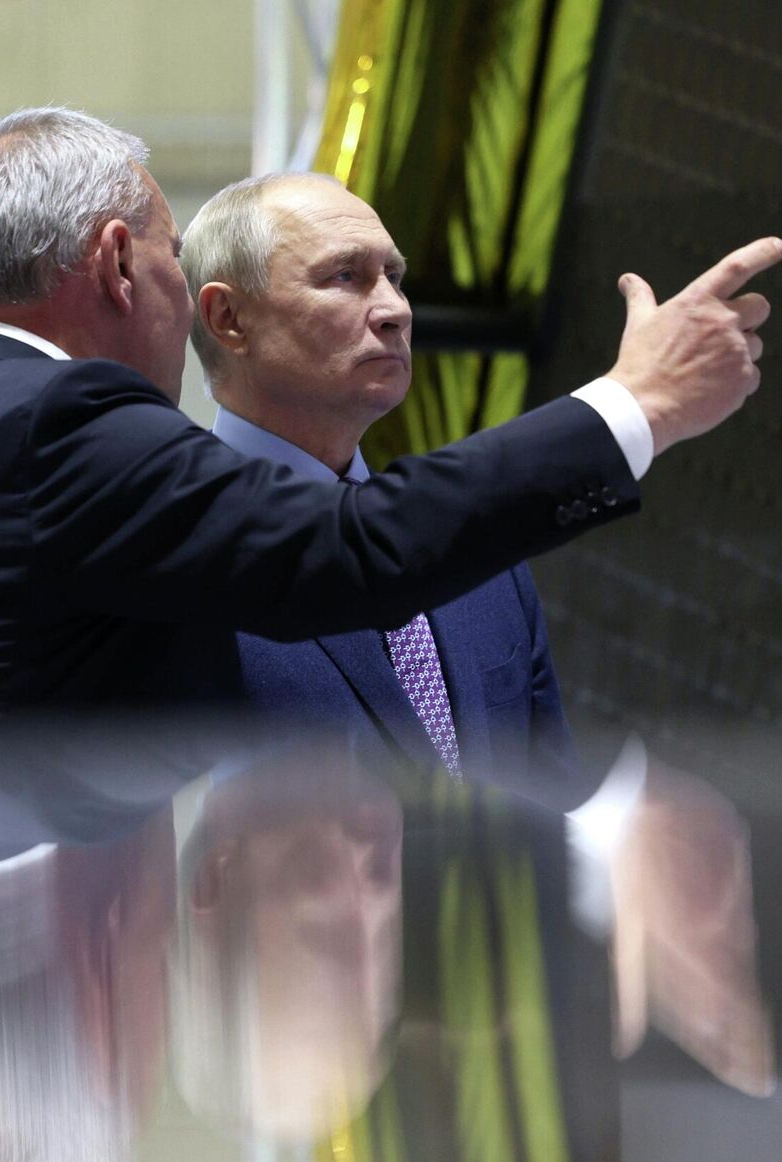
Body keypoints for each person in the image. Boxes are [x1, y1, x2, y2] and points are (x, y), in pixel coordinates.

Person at [0, 106, 779, 725]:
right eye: (173, 258)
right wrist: (636, 403)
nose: (393, 308)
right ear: (120, 262)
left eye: (395, 276)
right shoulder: (59, 418)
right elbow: (352, 549)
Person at [183, 171, 597, 802]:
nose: (396, 310)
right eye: (345, 276)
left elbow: (552, 805)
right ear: (228, 318)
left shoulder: (480, 555)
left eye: (395, 277)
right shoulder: (176, 562)